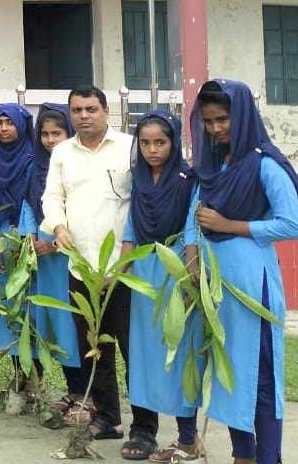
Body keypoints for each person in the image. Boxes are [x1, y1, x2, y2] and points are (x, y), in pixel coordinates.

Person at [187, 79, 298, 464]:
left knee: (260, 373)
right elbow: (195, 214)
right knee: (228, 367)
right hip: (217, 282)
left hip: (254, 284)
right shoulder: (214, 164)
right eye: (209, 121)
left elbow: (292, 222)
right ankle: (243, 454)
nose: (216, 129)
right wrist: (191, 255)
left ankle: (269, 457)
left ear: (243, 116)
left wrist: (229, 225)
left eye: (223, 119)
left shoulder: (264, 163)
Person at [41, 85, 134, 440]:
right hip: (80, 266)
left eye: (91, 109)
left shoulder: (129, 147)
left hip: (123, 267)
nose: (83, 116)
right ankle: (108, 418)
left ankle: (144, 424)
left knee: (131, 346)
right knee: (94, 346)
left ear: (106, 110)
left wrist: (126, 260)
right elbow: (52, 196)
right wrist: (59, 226)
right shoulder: (63, 152)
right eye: (77, 110)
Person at [119, 110, 199, 461]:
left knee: (180, 349)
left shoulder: (188, 178)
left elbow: (193, 227)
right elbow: (130, 227)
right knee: (144, 352)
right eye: (146, 143)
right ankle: (144, 431)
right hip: (142, 272)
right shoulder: (136, 179)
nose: (152, 150)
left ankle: (187, 436)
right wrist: (121, 268)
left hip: (176, 266)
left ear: (174, 142)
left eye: (160, 143)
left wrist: (189, 271)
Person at [20, 104, 82, 425]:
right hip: (41, 259)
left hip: (70, 257)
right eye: (44, 134)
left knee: (72, 325)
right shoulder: (35, 167)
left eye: (56, 133)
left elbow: (85, 211)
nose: (49, 140)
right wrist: (30, 236)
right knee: (47, 322)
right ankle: (63, 388)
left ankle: (84, 393)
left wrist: (55, 243)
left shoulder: (78, 165)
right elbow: (28, 205)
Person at [0, 104, 34, 386]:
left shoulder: (34, 160)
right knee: (7, 307)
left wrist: (24, 240)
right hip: (0, 238)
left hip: (29, 240)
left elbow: (33, 201)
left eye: (9, 122)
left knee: (30, 306)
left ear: (22, 126)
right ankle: (16, 373)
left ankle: (34, 374)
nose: (4, 128)